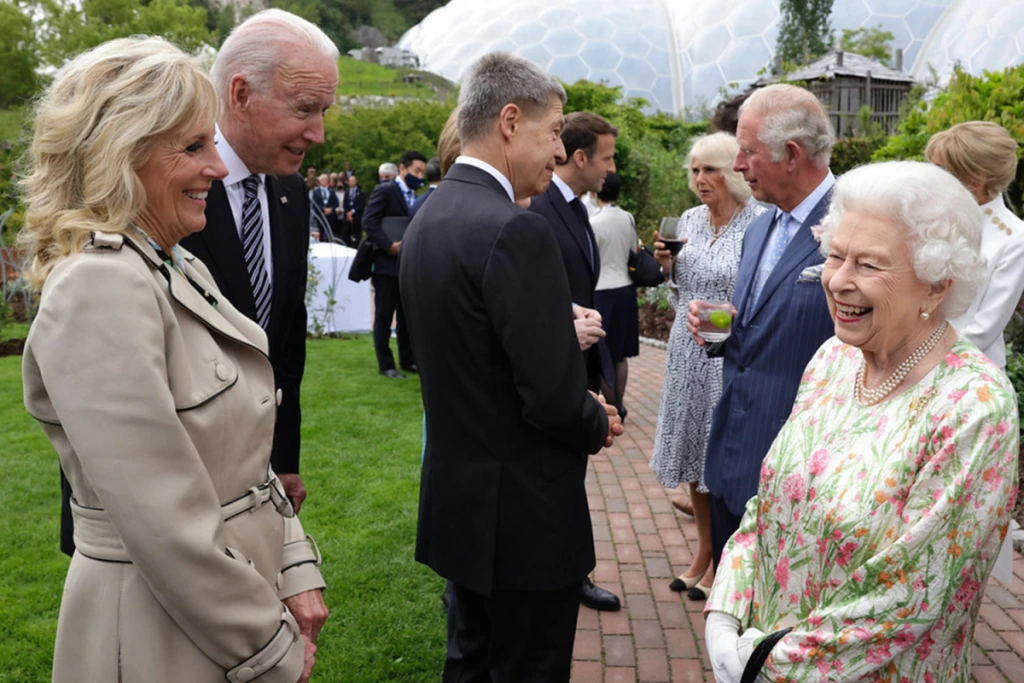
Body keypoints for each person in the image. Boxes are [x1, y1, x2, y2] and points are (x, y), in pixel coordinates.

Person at [20, 37, 328, 683]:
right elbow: (163, 519)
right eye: (193, 147)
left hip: (210, 612)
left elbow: (244, 459)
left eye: (210, 141)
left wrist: (294, 565)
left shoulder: (175, 263)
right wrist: (266, 644)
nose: (218, 165)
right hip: (160, 631)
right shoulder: (99, 286)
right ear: (119, 156)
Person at [705, 160, 1016, 683]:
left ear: (937, 284)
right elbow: (768, 503)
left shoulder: (974, 405)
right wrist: (725, 611)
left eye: (868, 265)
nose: (838, 281)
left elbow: (909, 595)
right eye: (834, 256)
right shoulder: (833, 360)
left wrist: (762, 663)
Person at [399, 51, 624, 682]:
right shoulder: (512, 230)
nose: (558, 153)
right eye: (553, 132)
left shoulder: (433, 215)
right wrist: (595, 419)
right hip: (524, 519)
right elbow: (551, 400)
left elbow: (477, 351)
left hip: (464, 508)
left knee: (471, 663)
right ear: (508, 121)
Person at [179, 8, 338, 516]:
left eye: (324, 112)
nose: (317, 133)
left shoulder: (290, 191)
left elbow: (284, 344)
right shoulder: (166, 187)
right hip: (178, 489)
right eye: (304, 108)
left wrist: (281, 459)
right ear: (241, 94)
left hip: (254, 483)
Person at [682, 84, 838, 571]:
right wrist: (721, 325)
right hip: (732, 458)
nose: (738, 164)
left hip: (801, 474)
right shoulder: (759, 228)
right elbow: (767, 325)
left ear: (791, 155)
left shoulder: (854, 226)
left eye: (746, 151)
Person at [650, 132, 764, 601]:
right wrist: (667, 268)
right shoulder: (691, 221)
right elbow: (681, 291)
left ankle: (725, 558)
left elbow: (754, 298)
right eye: (695, 170)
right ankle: (703, 553)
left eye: (710, 169)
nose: (700, 179)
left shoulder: (757, 222)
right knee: (694, 459)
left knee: (722, 459)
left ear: (734, 171)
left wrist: (713, 319)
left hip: (730, 354)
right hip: (686, 351)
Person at [528, 110, 622, 613]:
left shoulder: (577, 208)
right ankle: (565, 574)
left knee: (570, 478)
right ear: (580, 156)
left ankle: (569, 570)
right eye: (605, 157)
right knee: (554, 479)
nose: (610, 168)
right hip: (555, 363)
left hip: (580, 359)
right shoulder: (539, 207)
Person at [925, 121, 1024, 370]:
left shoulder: (1014, 238)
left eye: (940, 170)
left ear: (975, 179)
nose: (930, 178)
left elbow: (983, 329)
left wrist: (915, 356)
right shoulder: (931, 217)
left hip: (968, 374)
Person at [363, 150, 426, 379]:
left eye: (422, 172)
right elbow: (369, 221)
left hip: (406, 264)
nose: (419, 176)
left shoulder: (415, 194)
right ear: (402, 168)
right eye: (416, 171)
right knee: (384, 314)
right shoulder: (386, 190)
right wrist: (389, 245)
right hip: (386, 265)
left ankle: (408, 359)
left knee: (406, 315)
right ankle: (386, 363)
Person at [590, 171, 640, 418]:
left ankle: (611, 408)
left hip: (602, 292)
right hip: (626, 289)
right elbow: (633, 251)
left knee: (604, 354)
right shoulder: (628, 218)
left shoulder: (593, 222)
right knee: (620, 354)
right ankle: (619, 404)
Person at [311, 173, 340, 241]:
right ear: (320, 181)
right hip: (320, 215)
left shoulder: (331, 191)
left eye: (325, 179)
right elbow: (315, 204)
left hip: (330, 216)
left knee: (329, 233)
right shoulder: (316, 191)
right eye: (322, 179)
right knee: (320, 233)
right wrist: (323, 209)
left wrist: (331, 209)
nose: (324, 181)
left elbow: (336, 203)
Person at [342, 173, 365, 246]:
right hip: (348, 216)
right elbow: (345, 204)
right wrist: (348, 213)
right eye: (350, 181)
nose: (351, 182)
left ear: (356, 181)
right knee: (346, 232)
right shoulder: (347, 192)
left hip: (357, 216)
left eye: (353, 181)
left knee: (357, 233)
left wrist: (353, 212)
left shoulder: (361, 192)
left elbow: (361, 204)